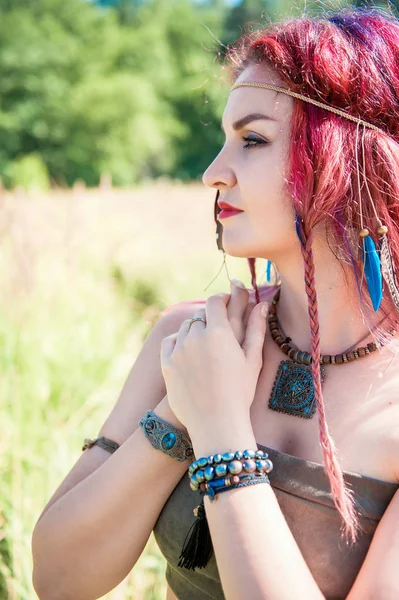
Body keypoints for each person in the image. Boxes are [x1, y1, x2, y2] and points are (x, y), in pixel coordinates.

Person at [32, 6, 399, 600]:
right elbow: (58, 579)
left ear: (349, 160)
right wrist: (180, 413)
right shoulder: (189, 339)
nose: (212, 173)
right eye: (223, 139)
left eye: (252, 139)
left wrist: (223, 431)